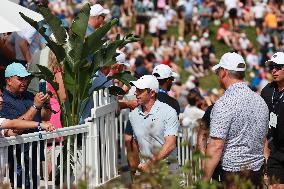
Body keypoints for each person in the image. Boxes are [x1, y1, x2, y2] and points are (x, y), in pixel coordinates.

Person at [202, 52, 269, 188]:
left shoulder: (224, 103)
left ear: (224, 72)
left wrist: (203, 181)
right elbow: (264, 141)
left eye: (218, 71)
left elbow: (216, 146)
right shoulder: (260, 101)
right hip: (257, 173)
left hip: (232, 175)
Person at [0, 62, 51, 188]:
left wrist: (46, 104)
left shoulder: (29, 95)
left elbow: (45, 116)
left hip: (34, 150)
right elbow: (15, 126)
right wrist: (35, 106)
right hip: (16, 155)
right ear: (9, 80)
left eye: (26, 78)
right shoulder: (3, 100)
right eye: (20, 79)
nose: (24, 82)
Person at [124, 64, 180, 170]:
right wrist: (135, 170)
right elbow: (133, 141)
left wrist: (149, 165)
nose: (135, 93)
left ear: (152, 93)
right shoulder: (133, 114)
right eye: (136, 89)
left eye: (140, 90)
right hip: (144, 173)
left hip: (166, 171)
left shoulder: (169, 111)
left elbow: (171, 144)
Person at [261, 52, 284, 188]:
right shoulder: (267, 91)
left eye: (278, 67)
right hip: (274, 148)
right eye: (272, 67)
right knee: (273, 186)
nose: (274, 70)